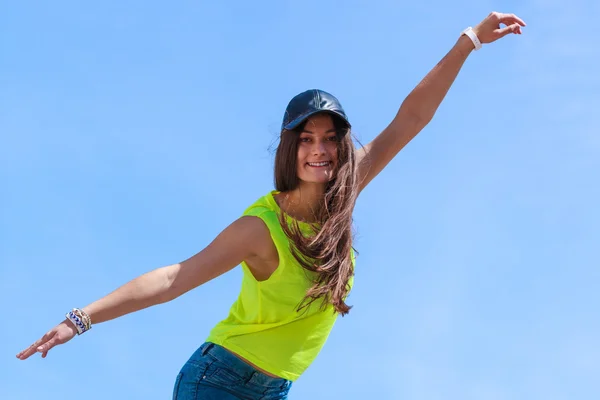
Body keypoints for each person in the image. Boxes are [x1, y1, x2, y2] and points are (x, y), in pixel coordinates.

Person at [17, 11, 526, 400]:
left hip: (274, 389)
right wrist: (80, 319)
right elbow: (176, 278)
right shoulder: (261, 228)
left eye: (330, 138)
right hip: (219, 380)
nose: (320, 149)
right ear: (290, 149)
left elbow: (410, 119)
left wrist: (470, 41)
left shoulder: (344, 193)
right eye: (307, 139)